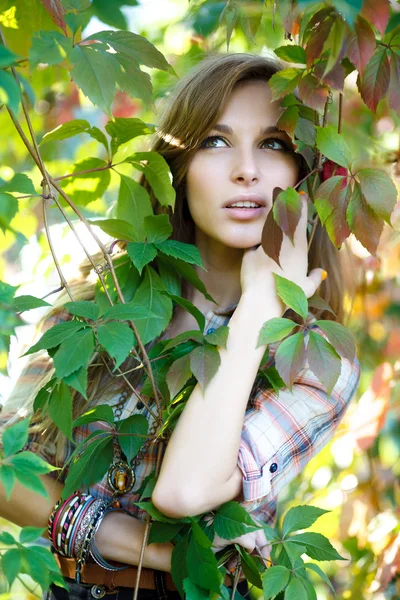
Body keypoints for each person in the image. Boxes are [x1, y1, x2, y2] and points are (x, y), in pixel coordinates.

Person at [0, 53, 360, 599]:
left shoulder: (316, 358)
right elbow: (7, 464)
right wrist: (132, 540)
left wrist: (257, 316)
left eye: (274, 144)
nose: (247, 169)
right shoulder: (98, 311)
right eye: (216, 142)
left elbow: (184, 491)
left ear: (304, 175)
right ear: (178, 164)